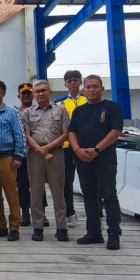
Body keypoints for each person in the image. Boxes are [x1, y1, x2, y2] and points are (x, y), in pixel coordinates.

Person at [68, 75, 124, 250]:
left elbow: (116, 131)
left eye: (95, 87)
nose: (91, 90)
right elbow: (72, 133)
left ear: (102, 88)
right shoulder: (79, 111)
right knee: (89, 195)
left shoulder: (111, 107)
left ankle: (113, 232)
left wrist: (97, 149)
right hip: (83, 159)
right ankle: (93, 232)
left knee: (108, 195)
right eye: (88, 87)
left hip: (104, 159)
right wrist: (78, 150)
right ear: (83, 90)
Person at [22, 80, 70, 242]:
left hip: (55, 153)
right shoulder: (27, 113)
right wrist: (40, 150)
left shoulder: (61, 110)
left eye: (44, 90)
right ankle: (38, 227)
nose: (41, 94)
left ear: (50, 92)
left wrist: (47, 148)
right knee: (36, 192)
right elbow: (27, 135)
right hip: (35, 155)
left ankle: (61, 227)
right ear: (34, 94)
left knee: (58, 192)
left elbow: (65, 134)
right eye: (37, 91)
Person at [0, 81, 26, 242]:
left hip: (6, 158)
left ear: (3, 93)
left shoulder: (11, 113)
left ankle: (14, 226)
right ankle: (1, 225)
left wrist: (17, 157)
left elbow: (20, 135)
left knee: (11, 194)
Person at [56, 69, 87, 228]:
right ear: (65, 84)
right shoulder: (59, 104)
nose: (73, 83)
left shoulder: (88, 101)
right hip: (67, 148)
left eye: (75, 80)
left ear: (80, 82)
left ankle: (95, 210)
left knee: (89, 180)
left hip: (86, 147)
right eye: (69, 81)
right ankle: (70, 212)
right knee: (67, 182)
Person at [16, 83, 49, 227]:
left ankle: (42, 213)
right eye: (24, 93)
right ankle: (25, 213)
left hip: (37, 153)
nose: (26, 96)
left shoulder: (41, 111)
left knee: (39, 185)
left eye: (29, 93)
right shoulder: (15, 112)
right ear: (19, 96)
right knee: (22, 184)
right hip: (22, 154)